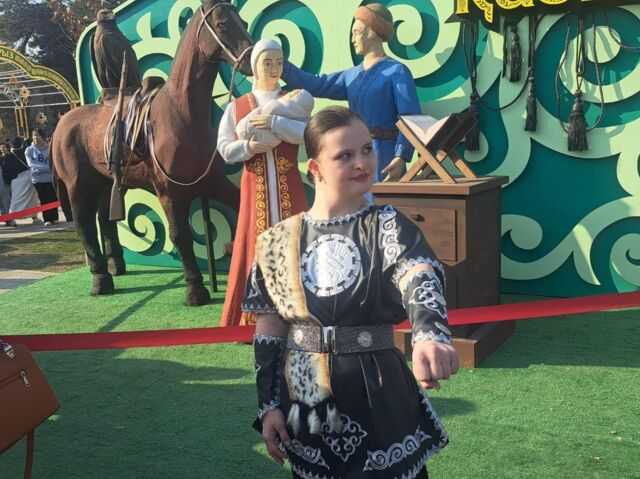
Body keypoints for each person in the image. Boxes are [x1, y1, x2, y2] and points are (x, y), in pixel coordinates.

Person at [243, 106, 459, 478]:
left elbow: (417, 273)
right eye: (344, 155)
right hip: (306, 395)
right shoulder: (276, 241)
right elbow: (270, 329)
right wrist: (269, 406)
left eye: (367, 149)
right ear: (315, 168)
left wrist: (429, 333)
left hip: (378, 390)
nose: (362, 163)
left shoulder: (389, 225)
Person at [218, 38, 311, 327]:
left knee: (294, 244)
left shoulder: (293, 99)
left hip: (289, 183)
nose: (273, 68)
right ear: (255, 66)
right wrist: (249, 148)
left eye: (279, 62)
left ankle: (297, 315)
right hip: (254, 185)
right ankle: (255, 318)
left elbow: (307, 134)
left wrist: (276, 124)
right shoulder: (237, 106)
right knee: (254, 245)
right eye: (267, 62)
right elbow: (224, 147)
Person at [281, 3, 421, 182]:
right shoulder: (351, 76)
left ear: (372, 31)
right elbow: (315, 84)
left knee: (384, 200)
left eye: (356, 32)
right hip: (355, 159)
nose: (352, 39)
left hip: (386, 160)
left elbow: (410, 118)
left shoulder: (397, 71)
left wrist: (401, 156)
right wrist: (278, 62)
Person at [25, 128, 59, 226]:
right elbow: (31, 164)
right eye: (34, 135)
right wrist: (46, 168)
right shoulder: (29, 150)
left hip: (50, 178)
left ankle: (54, 217)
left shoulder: (50, 148)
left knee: (52, 198)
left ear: (42, 136)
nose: (36, 137)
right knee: (44, 199)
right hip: (38, 179)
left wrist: (45, 168)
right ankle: (47, 219)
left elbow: (53, 162)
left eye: (38, 135)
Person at [3, 138, 39, 226]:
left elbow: (6, 171)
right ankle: (34, 217)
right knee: (32, 199)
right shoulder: (25, 152)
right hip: (28, 178)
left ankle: (12, 218)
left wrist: (8, 181)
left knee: (16, 200)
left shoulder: (8, 157)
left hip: (16, 181)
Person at [0, 143, 11, 220]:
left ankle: (8, 218)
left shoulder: (10, 157)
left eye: (3, 147)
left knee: (6, 199)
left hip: (6, 181)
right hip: (2, 181)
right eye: (1, 147)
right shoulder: (1, 158)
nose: (2, 149)